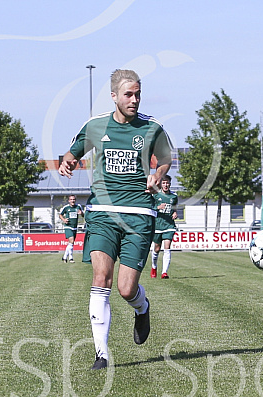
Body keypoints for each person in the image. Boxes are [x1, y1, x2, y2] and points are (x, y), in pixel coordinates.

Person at [58, 69, 173, 370]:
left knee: (125, 289)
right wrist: (67, 163)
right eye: (128, 95)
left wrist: (157, 175)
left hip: (138, 215)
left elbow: (165, 160)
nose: (134, 100)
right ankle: (102, 354)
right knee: (101, 279)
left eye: (138, 94)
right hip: (102, 215)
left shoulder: (152, 128)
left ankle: (142, 307)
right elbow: (72, 154)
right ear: (114, 96)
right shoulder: (95, 126)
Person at [150, 175, 178, 279]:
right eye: (164, 183)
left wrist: (175, 213)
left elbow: (175, 208)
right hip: (157, 225)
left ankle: (164, 272)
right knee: (156, 248)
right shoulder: (155, 195)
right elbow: (150, 207)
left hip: (169, 225)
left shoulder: (174, 196)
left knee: (167, 247)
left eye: (167, 183)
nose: (166, 185)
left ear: (170, 184)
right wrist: (157, 207)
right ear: (161, 184)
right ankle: (154, 267)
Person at [59, 194, 84, 263]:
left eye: (74, 199)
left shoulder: (78, 206)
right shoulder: (66, 207)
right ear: (69, 200)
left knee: (71, 243)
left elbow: (83, 214)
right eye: (71, 199)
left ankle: (64, 257)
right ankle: (71, 258)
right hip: (68, 226)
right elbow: (60, 214)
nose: (72, 201)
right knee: (71, 240)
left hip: (74, 227)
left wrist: (81, 213)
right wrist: (64, 220)